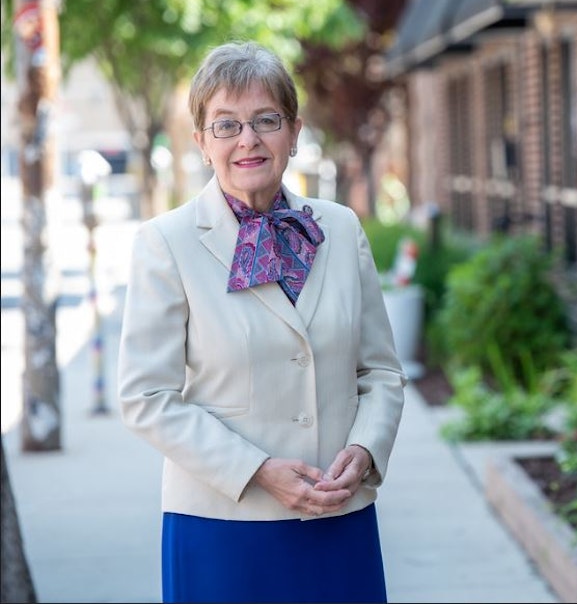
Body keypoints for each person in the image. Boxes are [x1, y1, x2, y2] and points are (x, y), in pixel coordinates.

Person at [117, 41, 406, 604]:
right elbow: (145, 396)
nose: (247, 139)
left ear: (294, 133)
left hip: (338, 516)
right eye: (225, 125)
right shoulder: (165, 244)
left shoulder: (342, 230)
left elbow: (381, 373)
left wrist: (367, 449)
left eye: (265, 120)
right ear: (202, 142)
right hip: (224, 525)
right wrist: (257, 470)